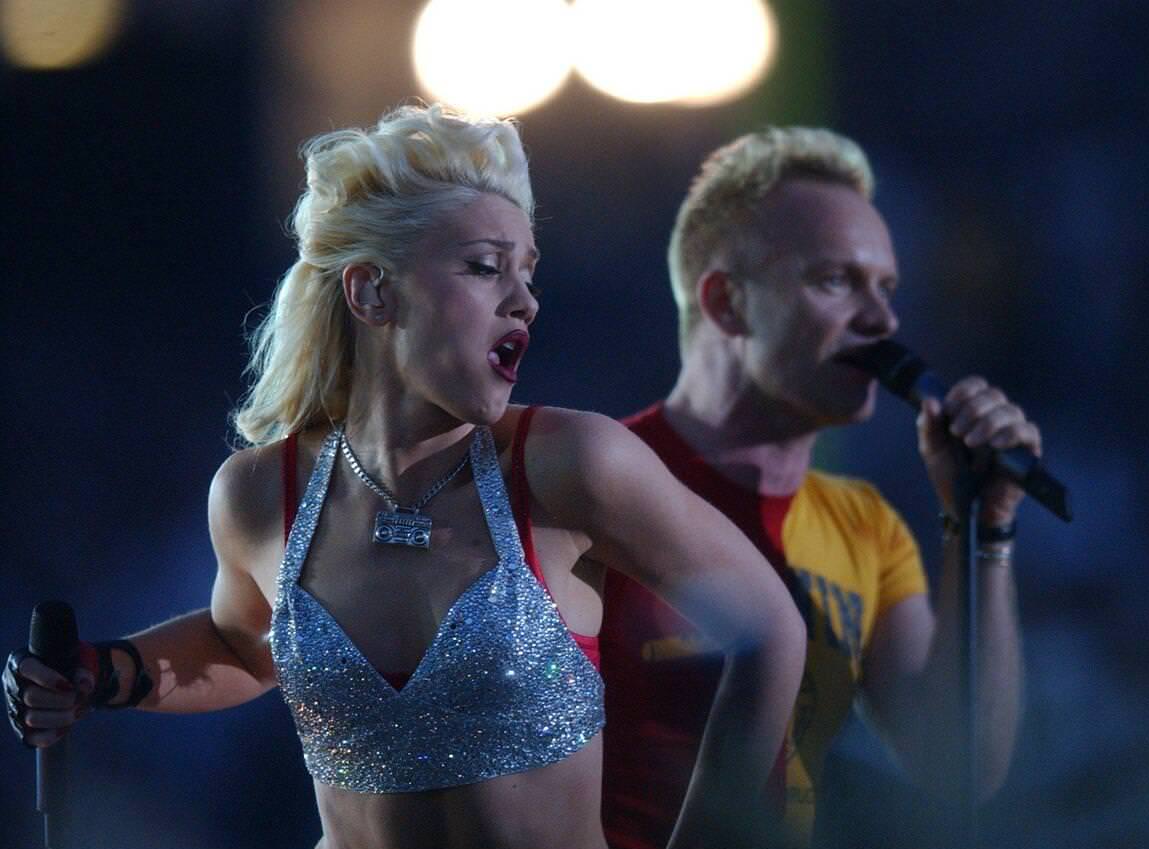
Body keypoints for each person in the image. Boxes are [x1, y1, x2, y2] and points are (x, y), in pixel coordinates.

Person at [3, 103, 807, 849]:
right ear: (372, 290)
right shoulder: (257, 493)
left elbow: (769, 624)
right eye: (487, 267)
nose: (525, 300)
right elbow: (243, 647)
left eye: (529, 272)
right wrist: (101, 674)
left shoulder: (568, 465)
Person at [599, 127, 1041, 849]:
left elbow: (956, 766)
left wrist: (983, 528)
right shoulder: (600, 486)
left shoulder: (865, 526)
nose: (883, 321)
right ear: (726, 303)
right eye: (835, 280)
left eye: (887, 288)